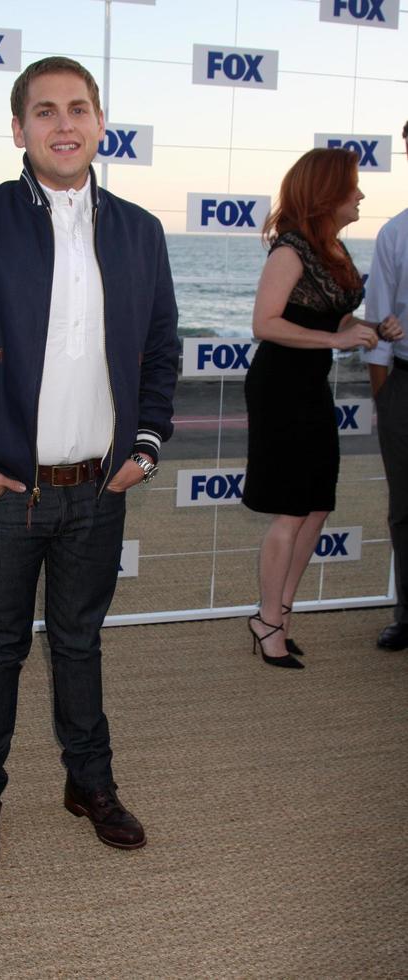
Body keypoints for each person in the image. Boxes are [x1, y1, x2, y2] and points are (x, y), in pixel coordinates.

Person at [0, 56, 180, 877]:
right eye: (46, 111)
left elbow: (159, 352)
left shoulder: (140, 231)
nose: (65, 124)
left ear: (99, 124)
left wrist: (148, 445)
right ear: (19, 129)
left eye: (79, 109)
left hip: (100, 486)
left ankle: (90, 784)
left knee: (82, 642)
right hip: (4, 493)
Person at [242, 147, 402, 669]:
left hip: (310, 385)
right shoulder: (290, 249)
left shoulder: (330, 248)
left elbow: (328, 322)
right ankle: (266, 620)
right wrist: (336, 341)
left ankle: (280, 614)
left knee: (317, 505)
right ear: (326, 192)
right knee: (293, 508)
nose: (360, 194)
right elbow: (265, 324)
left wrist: (370, 330)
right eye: (352, 186)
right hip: (280, 387)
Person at [363, 120, 408, 651]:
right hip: (405, 385)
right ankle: (407, 613)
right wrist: (386, 397)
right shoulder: (396, 232)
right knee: (405, 508)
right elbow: (377, 325)